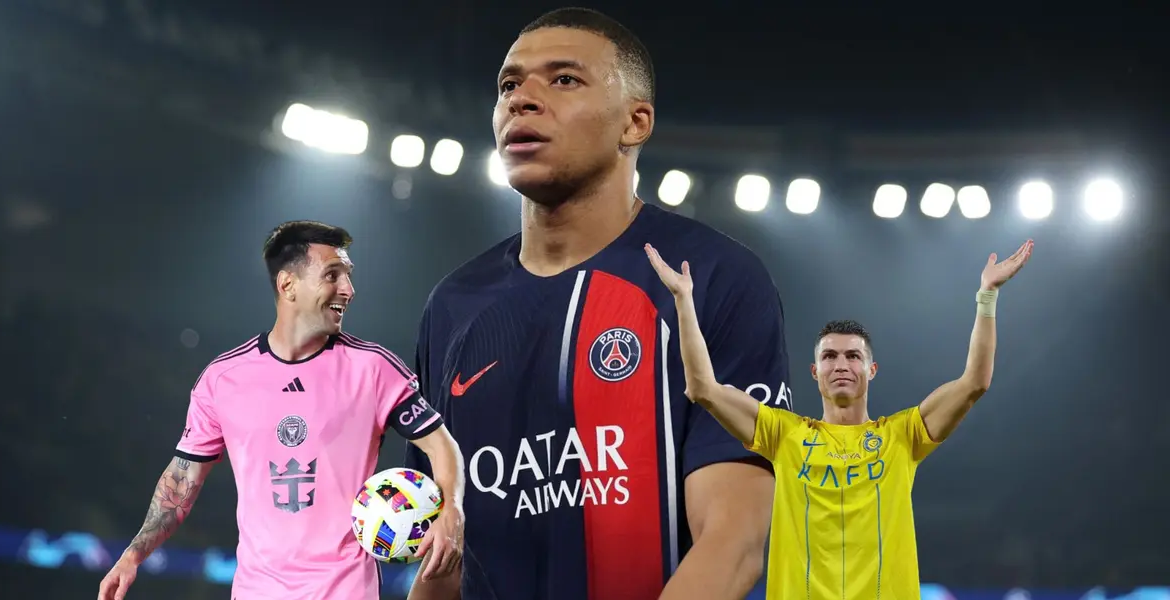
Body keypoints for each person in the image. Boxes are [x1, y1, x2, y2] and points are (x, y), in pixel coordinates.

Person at [404, 8, 792, 600]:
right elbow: (441, 561)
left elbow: (734, 544)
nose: (522, 100)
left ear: (635, 123)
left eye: (563, 79)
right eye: (509, 84)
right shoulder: (454, 306)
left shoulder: (712, 278)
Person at [645, 238, 1034, 599]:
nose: (841, 364)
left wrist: (987, 297)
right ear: (815, 372)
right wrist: (684, 301)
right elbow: (703, 389)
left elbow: (974, 382)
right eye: (829, 356)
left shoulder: (903, 435)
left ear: (872, 369)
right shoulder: (783, 435)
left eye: (853, 356)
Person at [97, 221, 466, 600]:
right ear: (287, 285)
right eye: (332, 275)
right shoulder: (223, 379)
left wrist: (451, 510)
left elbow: (442, 447)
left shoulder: (373, 368)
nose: (349, 290)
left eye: (349, 276)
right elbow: (182, 480)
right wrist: (133, 554)